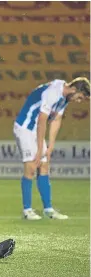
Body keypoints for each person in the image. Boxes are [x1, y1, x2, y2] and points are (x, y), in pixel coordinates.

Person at [14, 77, 90, 220]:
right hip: (25, 127)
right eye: (79, 98)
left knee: (44, 166)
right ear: (74, 90)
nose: (78, 101)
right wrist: (39, 150)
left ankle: (48, 209)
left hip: (35, 129)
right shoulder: (53, 93)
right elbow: (42, 121)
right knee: (31, 167)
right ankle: (27, 210)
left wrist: (50, 146)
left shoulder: (64, 96)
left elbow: (56, 120)